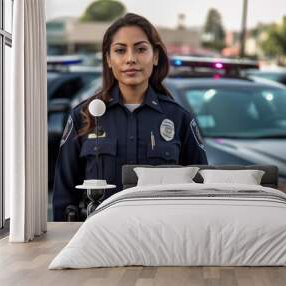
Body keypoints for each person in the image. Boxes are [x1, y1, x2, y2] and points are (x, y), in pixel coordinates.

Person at [53, 13, 208, 221]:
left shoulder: (179, 119)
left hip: (163, 240)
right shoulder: (84, 116)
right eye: (120, 50)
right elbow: (64, 198)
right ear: (108, 59)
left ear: (155, 57)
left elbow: (202, 192)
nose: (130, 58)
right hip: (100, 241)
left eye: (141, 49)